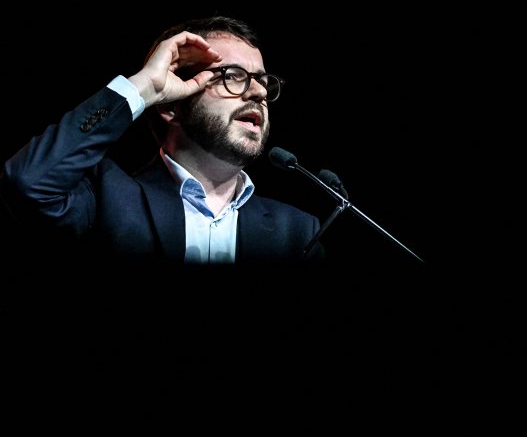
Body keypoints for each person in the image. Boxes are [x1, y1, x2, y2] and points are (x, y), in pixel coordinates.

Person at [0, 15, 324, 265]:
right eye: (233, 76)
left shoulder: (298, 233)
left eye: (262, 80)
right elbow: (30, 182)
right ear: (171, 106)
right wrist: (144, 87)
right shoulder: (107, 198)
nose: (258, 92)